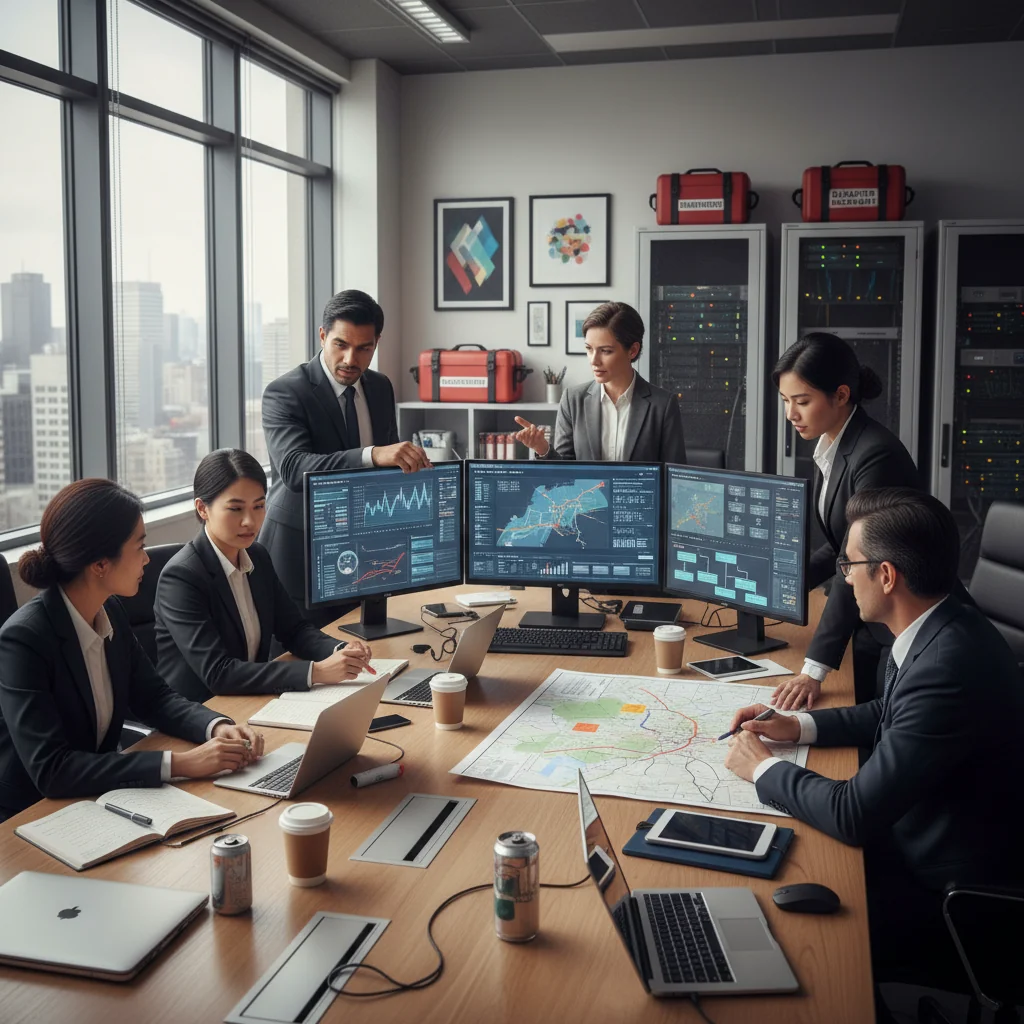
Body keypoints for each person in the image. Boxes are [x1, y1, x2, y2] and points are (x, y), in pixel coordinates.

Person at [724, 487, 1023, 987]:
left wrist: (760, 767)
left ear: (886, 576)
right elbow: (892, 711)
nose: (843, 576)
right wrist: (795, 725)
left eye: (850, 563)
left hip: (951, 895)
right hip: (921, 837)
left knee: (790, 932)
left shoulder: (947, 666)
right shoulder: (942, 626)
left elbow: (853, 814)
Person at [0, 479, 265, 823]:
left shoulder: (109, 611)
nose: (146, 559)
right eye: (140, 547)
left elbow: (155, 698)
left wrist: (215, 727)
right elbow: (53, 769)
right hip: (32, 815)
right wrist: (181, 763)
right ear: (99, 565)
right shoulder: (23, 640)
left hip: (99, 797)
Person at [769, 332, 920, 710]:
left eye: (802, 401)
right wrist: (781, 587)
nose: (791, 414)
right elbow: (840, 547)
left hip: (896, 626)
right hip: (869, 610)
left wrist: (814, 669)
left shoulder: (875, 456)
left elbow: (860, 563)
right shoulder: (832, 443)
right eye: (786, 401)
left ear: (840, 395)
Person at [260, 289, 430, 618]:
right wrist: (372, 455)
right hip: (302, 556)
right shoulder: (285, 392)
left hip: (367, 553)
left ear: (376, 343)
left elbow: (388, 464)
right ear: (323, 336)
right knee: (306, 662)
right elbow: (295, 469)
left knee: (370, 655)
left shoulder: (380, 387)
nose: (351, 359)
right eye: (341, 344)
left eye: (364, 348)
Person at [154, 449, 373, 704]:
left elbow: (294, 630)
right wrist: (318, 672)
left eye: (258, 506)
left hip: (252, 699)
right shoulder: (181, 578)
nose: (250, 521)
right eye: (235, 509)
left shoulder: (256, 555)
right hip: (204, 712)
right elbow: (218, 673)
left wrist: (340, 650)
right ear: (203, 508)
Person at [513, 301, 687, 464]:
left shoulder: (662, 405)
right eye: (589, 349)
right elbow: (564, 472)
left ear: (632, 350)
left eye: (605, 351)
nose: (594, 360)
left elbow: (673, 478)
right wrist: (542, 449)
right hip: (588, 497)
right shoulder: (573, 400)